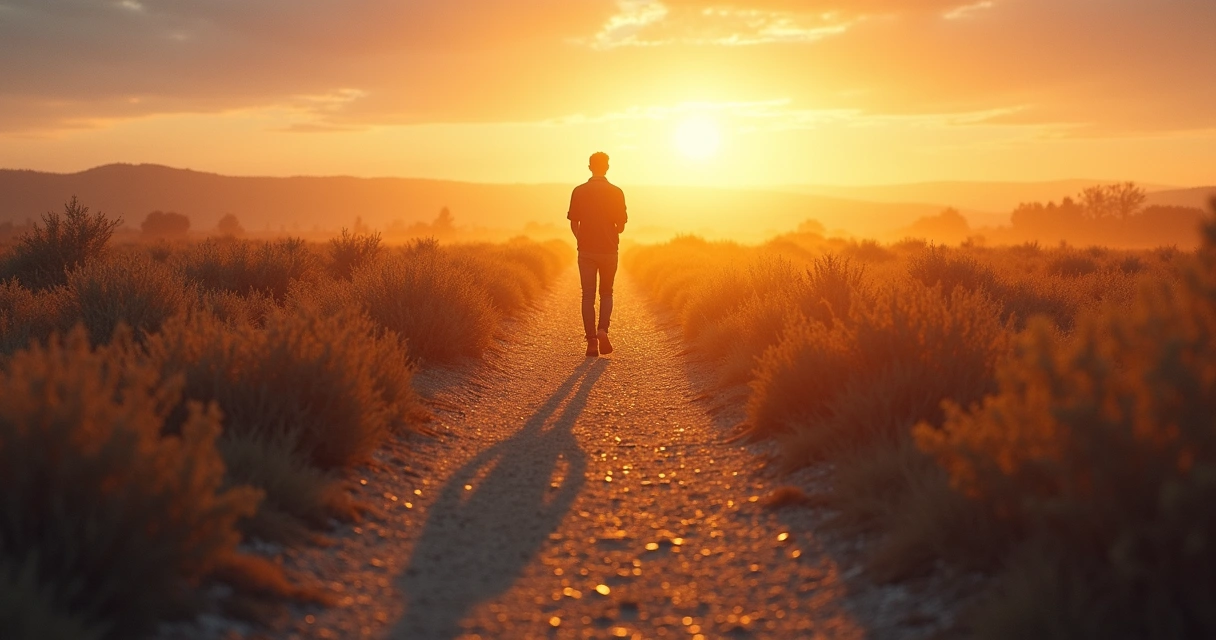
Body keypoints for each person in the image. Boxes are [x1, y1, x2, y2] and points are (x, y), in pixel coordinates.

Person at [568, 151, 627, 357]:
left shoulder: (579, 191)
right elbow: (621, 226)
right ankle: (603, 330)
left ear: (589, 167)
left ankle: (591, 341)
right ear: (607, 167)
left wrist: (580, 239)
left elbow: (573, 222)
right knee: (607, 293)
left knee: (588, 295)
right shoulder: (617, 192)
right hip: (609, 250)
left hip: (586, 251)